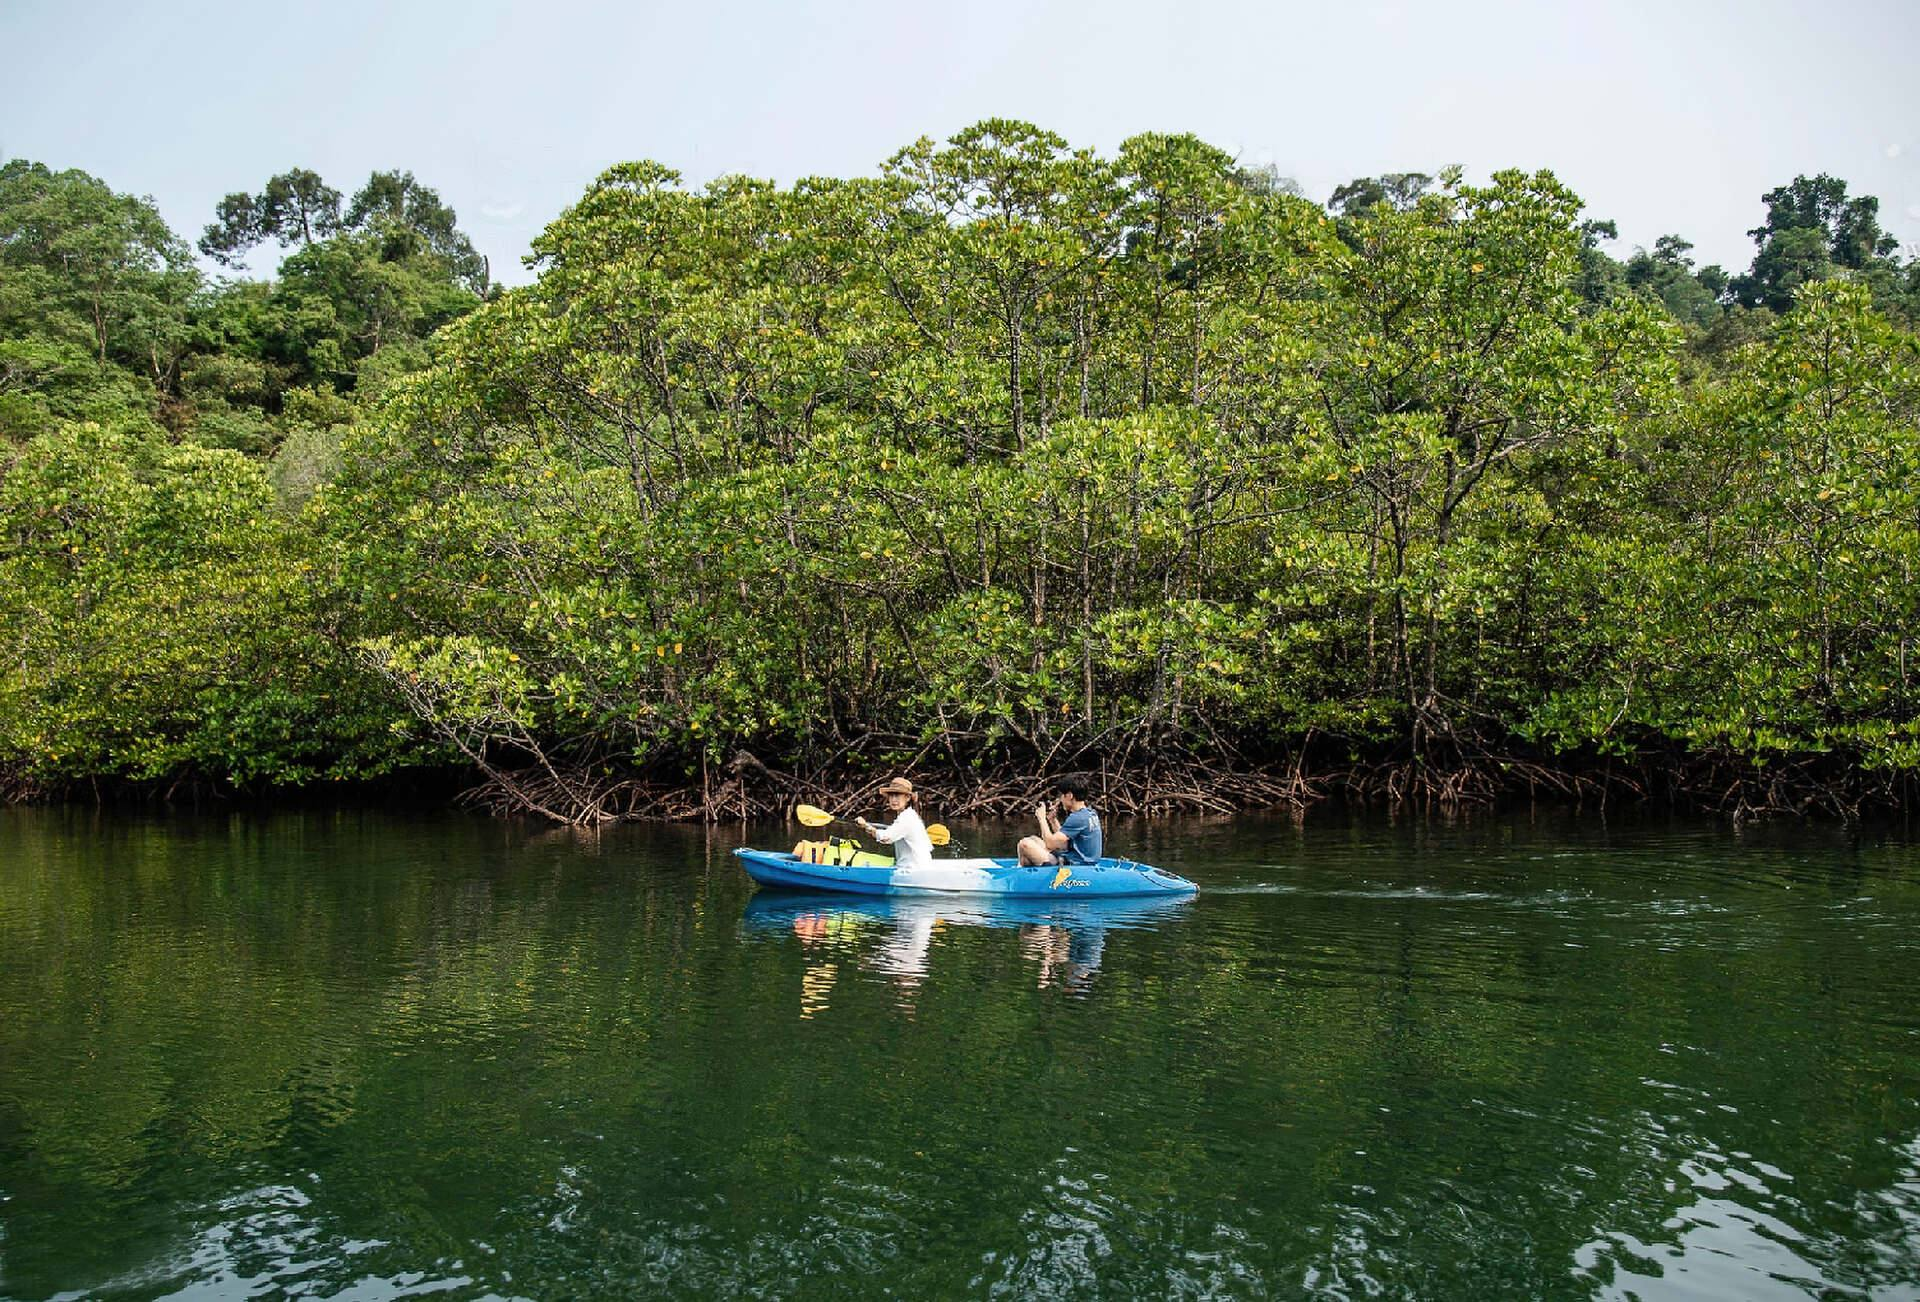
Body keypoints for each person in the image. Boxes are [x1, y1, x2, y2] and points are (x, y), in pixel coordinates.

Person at [1016, 773, 1104, 867]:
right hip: (1075, 859)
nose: (1061, 799)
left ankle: (1019, 874)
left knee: (1024, 844)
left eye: (1062, 795)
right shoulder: (1090, 812)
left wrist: (1042, 819)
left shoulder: (1078, 818)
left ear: (1070, 796)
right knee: (1034, 840)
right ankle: (1024, 870)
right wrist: (1053, 820)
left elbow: (1050, 844)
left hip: (1076, 866)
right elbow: (1064, 843)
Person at [856, 776, 934, 872]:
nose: (893, 799)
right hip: (911, 867)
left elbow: (885, 838)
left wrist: (865, 825)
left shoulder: (907, 818)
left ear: (908, 797)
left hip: (913, 870)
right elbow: (892, 832)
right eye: (891, 795)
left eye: (897, 795)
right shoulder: (908, 815)